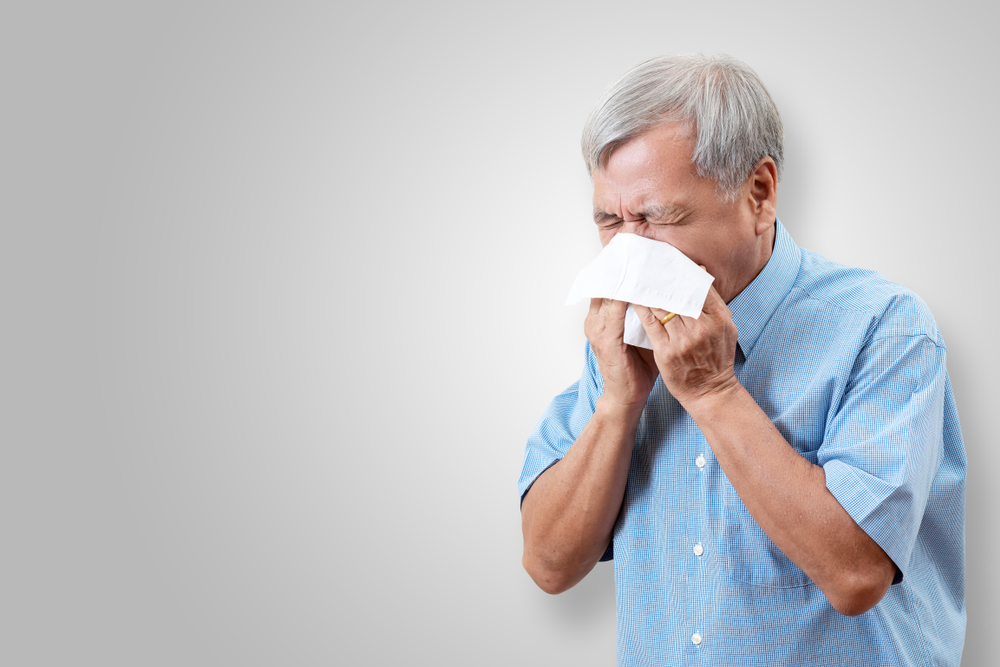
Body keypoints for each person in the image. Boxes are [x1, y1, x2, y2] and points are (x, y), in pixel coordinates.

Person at [518, 54, 965, 666]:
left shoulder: (884, 329)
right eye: (609, 222)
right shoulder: (623, 342)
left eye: (657, 218)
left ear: (759, 193)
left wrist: (713, 393)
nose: (628, 257)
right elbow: (548, 564)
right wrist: (617, 405)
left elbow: (856, 574)